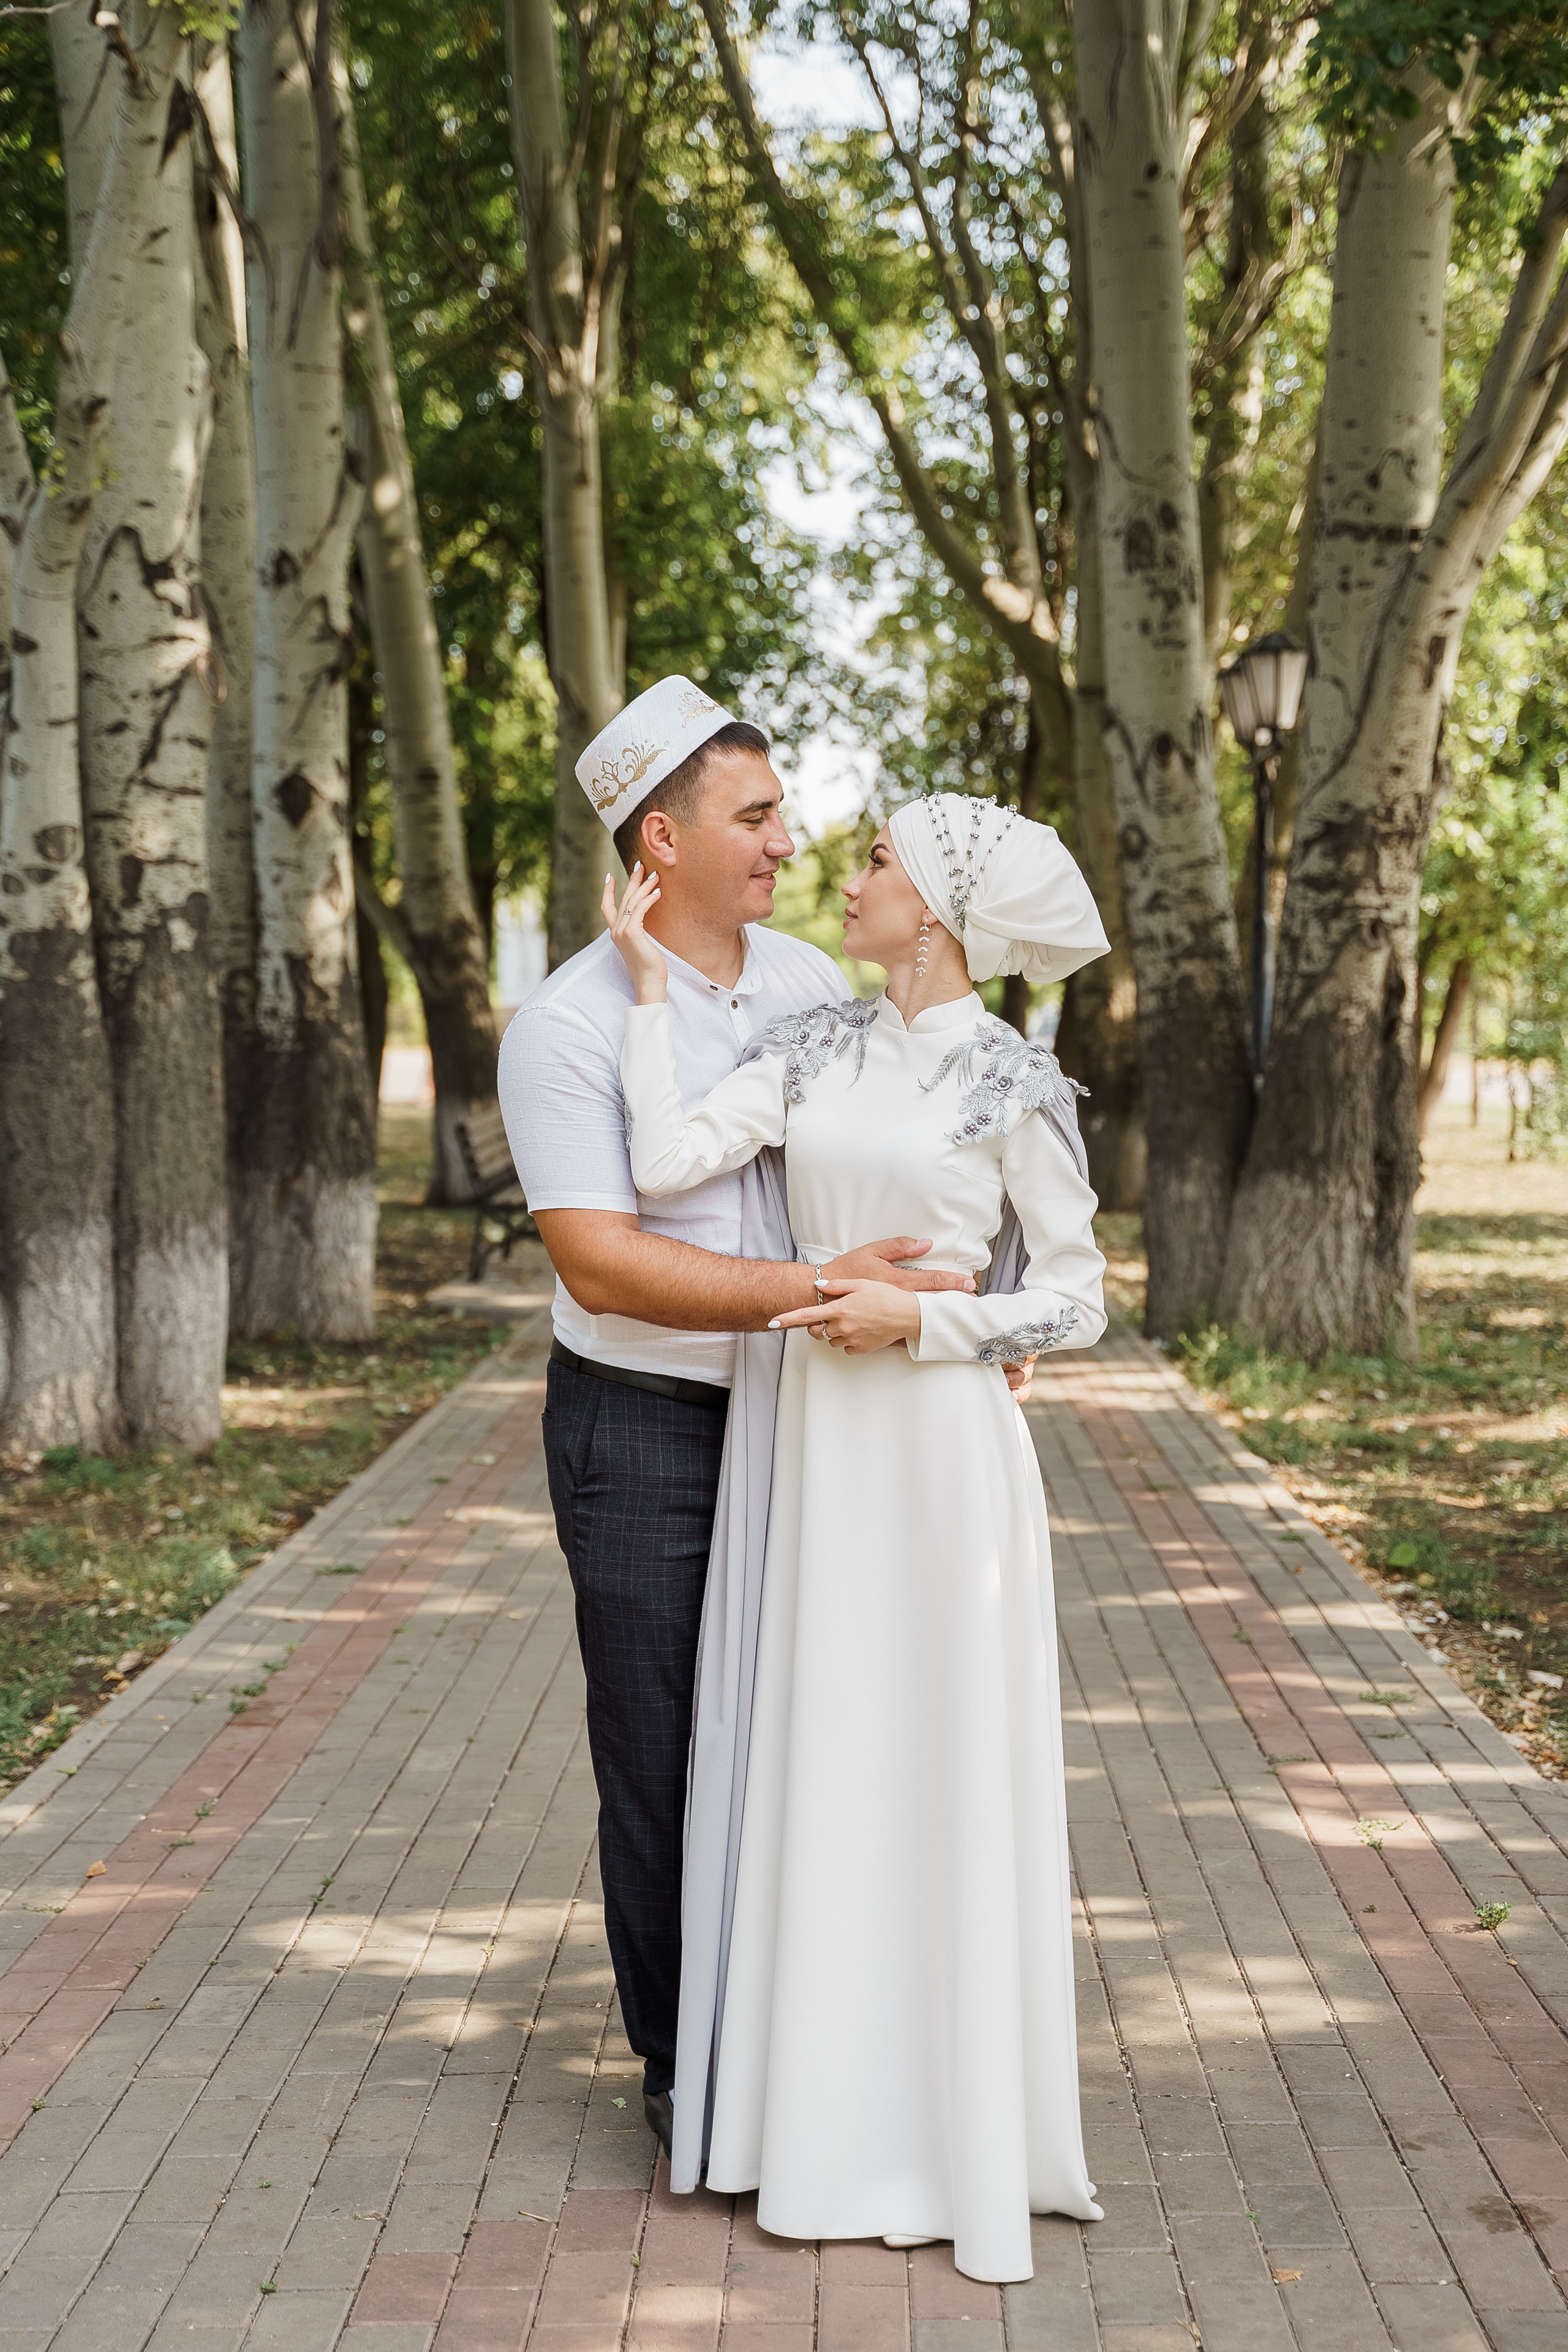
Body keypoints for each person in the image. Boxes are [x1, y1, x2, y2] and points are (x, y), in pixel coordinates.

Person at [605, 789, 1112, 2284]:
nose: (846, 874)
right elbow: (666, 1162)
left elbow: (1076, 1297)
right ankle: (813, 2128)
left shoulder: (1012, 1079)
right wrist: (645, 989)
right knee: (825, 1751)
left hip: (941, 1459)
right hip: (816, 1451)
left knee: (931, 1759)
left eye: (878, 860)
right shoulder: (815, 1042)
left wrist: (930, 1321)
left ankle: (951, 2132)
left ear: (936, 910)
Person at [496, 678, 980, 2158]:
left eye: (781, 813)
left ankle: (794, 2051)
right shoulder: (565, 1026)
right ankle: (683, 2082)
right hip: (641, 1430)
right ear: (664, 838)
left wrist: (974, 1315)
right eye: (755, 816)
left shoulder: (804, 982)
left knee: (805, 1733)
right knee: (661, 1757)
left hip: (814, 1417)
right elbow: (601, 1261)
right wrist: (817, 1285)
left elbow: (918, 1136)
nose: (786, 840)